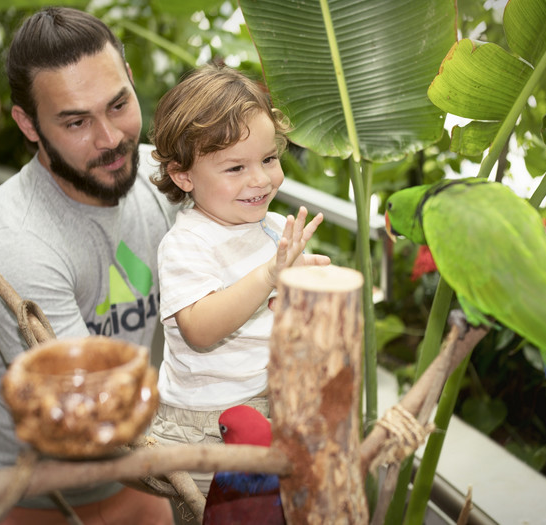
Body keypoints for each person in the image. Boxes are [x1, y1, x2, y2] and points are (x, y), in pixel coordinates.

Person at [0, 7, 177, 524]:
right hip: (25, 493)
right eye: (77, 121)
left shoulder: (158, 181)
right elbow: (88, 419)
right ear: (28, 125)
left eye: (118, 104)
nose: (110, 138)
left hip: (134, 472)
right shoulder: (15, 242)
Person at [147, 64, 330, 514]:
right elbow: (200, 328)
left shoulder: (269, 227)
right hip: (207, 426)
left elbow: (270, 308)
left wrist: (300, 284)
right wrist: (269, 276)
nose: (261, 180)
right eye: (236, 167)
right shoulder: (186, 243)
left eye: (269, 159)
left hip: (268, 406)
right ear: (184, 175)